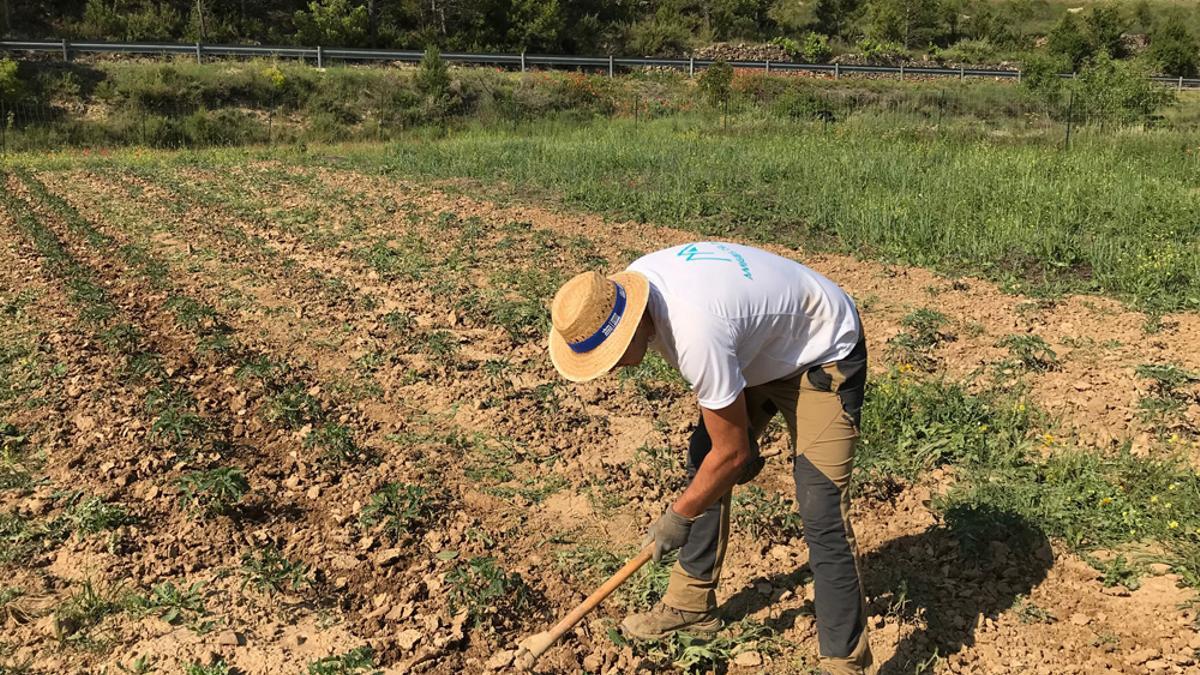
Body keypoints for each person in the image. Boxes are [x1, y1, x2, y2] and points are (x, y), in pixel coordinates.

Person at [547, 242, 873, 675]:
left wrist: (678, 516)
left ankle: (845, 663)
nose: (612, 370)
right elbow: (724, 447)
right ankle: (691, 605)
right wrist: (724, 463)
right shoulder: (637, 290)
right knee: (706, 462)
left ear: (629, 328)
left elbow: (732, 452)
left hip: (823, 350)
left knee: (821, 510)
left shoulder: (692, 331)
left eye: (609, 358)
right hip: (761, 349)